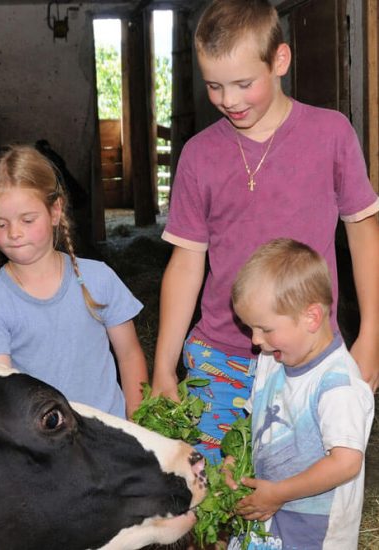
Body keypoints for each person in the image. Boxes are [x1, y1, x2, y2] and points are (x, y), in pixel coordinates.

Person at [151, 0, 379, 464]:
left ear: (280, 61)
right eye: (214, 85)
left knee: (295, 491)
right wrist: (162, 365)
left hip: (309, 355)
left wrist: (372, 332)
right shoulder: (199, 155)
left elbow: (364, 235)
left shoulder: (331, 135)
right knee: (211, 493)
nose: (229, 100)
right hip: (219, 356)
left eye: (243, 84)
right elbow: (187, 262)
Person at [0, 144, 148, 419]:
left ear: (55, 211)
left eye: (27, 220)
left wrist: (138, 422)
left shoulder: (98, 279)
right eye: (0, 224)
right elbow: (2, 392)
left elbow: (130, 355)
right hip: (47, 452)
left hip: (110, 437)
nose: (14, 233)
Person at [225, 238, 374, 549]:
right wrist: (231, 460)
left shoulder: (337, 385)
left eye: (264, 329)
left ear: (311, 317)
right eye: (250, 327)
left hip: (313, 533)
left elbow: (346, 462)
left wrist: (278, 493)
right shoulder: (271, 359)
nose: (255, 340)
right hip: (266, 520)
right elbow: (252, 422)